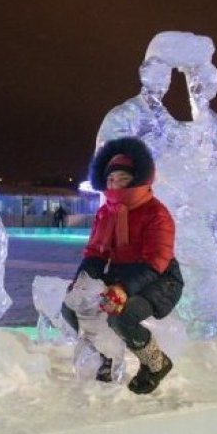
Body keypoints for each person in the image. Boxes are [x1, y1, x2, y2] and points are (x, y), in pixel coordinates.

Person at [61, 136, 184, 394]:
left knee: (122, 315)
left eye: (123, 179)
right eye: (110, 180)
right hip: (119, 275)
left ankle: (155, 363)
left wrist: (123, 289)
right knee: (73, 306)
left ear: (138, 179)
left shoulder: (156, 213)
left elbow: (156, 261)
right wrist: (81, 282)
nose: (115, 185)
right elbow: (95, 253)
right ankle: (104, 356)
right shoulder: (106, 212)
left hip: (159, 280)